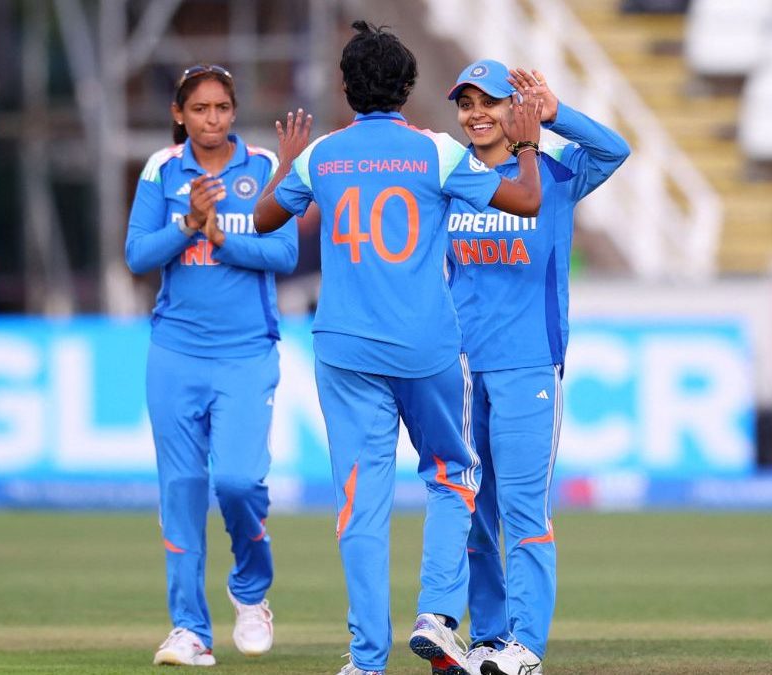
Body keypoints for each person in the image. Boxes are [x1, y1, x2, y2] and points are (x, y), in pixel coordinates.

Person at [253, 21, 544, 675]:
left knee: (360, 500)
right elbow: (526, 201)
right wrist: (525, 145)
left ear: (345, 88)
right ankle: (438, 616)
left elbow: (265, 218)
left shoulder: (322, 155)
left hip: (345, 346)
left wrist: (284, 164)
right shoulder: (436, 152)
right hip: (425, 344)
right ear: (408, 87)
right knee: (453, 474)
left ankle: (364, 659)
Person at [444, 60, 630, 675]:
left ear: (515, 108)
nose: (476, 114)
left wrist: (556, 114)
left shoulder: (554, 174)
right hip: (465, 371)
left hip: (528, 369)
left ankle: (526, 645)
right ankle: (490, 637)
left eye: (489, 102)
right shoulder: (456, 180)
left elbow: (615, 149)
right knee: (472, 512)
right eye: (466, 103)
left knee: (524, 510)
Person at [124, 63, 298, 667]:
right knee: (182, 491)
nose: (212, 119)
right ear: (180, 115)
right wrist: (188, 226)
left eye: (222, 107)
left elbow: (284, 250)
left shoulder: (262, 165)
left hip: (248, 352)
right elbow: (136, 254)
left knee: (239, 482)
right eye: (200, 109)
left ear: (234, 110)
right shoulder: (162, 169)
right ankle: (189, 630)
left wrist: (223, 239)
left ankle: (251, 591)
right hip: (174, 352)